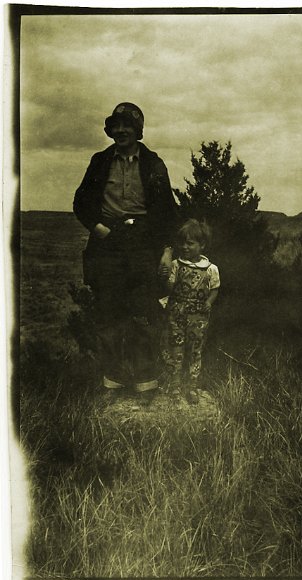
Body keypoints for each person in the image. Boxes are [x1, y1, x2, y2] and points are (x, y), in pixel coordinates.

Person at [73, 102, 178, 404]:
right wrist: (98, 227)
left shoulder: (154, 164)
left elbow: (169, 212)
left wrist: (167, 251)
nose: (120, 131)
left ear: (137, 131)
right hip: (107, 244)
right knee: (109, 314)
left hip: (143, 243)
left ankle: (146, 384)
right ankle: (112, 384)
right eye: (115, 127)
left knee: (144, 314)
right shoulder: (100, 161)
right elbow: (80, 203)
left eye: (126, 127)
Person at [160, 219, 220, 404]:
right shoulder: (177, 264)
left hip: (199, 316)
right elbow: (169, 287)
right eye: (182, 243)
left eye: (190, 243)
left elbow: (215, 288)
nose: (185, 247)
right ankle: (175, 386)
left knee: (195, 351)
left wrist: (209, 302)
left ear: (202, 244)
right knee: (176, 350)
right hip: (176, 313)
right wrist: (167, 276)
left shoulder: (211, 269)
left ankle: (192, 387)